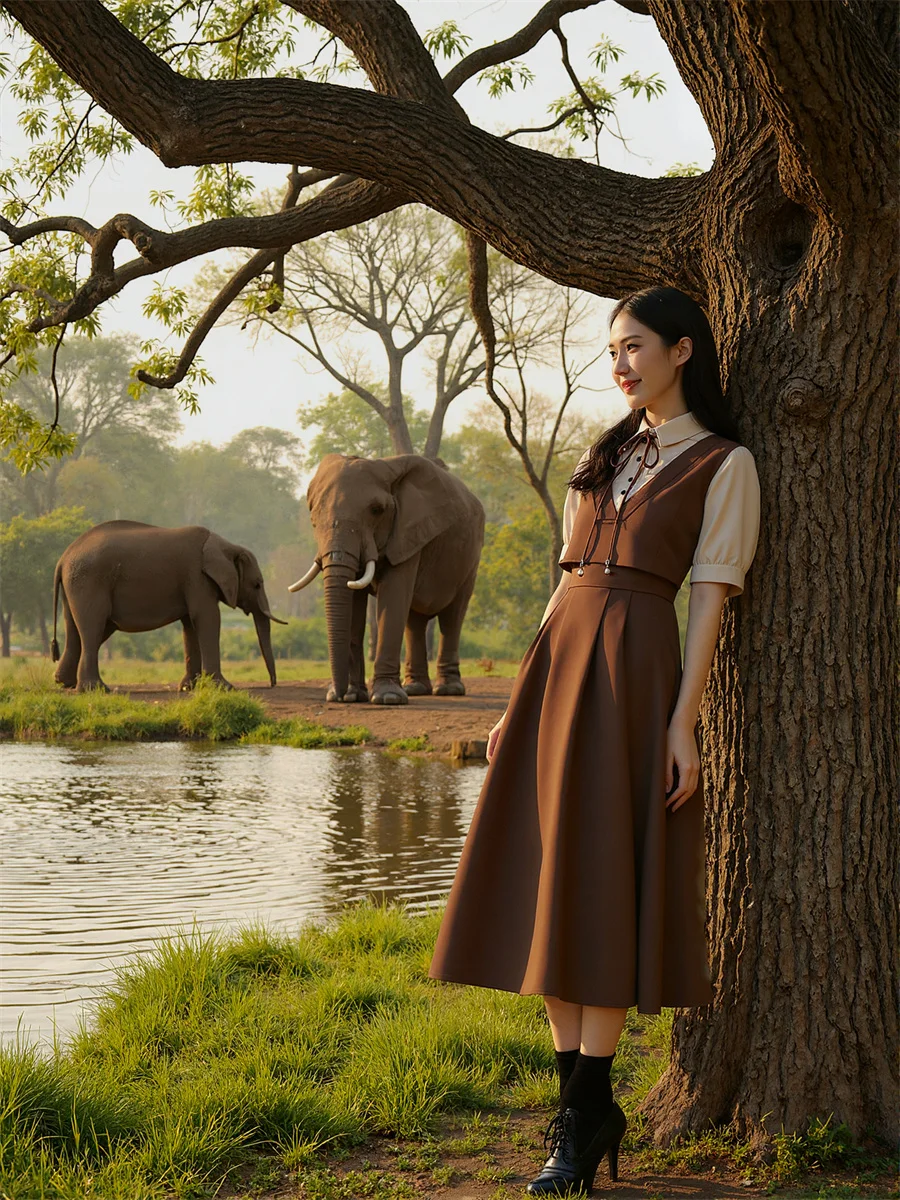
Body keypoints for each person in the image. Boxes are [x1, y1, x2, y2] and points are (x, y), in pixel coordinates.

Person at [427, 285, 761, 1196]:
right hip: (557, 672)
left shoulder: (724, 464)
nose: (620, 364)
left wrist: (681, 725)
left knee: (604, 887)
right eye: (612, 350)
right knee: (547, 886)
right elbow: (561, 585)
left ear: (683, 350)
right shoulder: (604, 451)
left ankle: (580, 1118)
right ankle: (576, 1114)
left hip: (636, 673)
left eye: (635, 347)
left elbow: (708, 602)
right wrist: (512, 702)